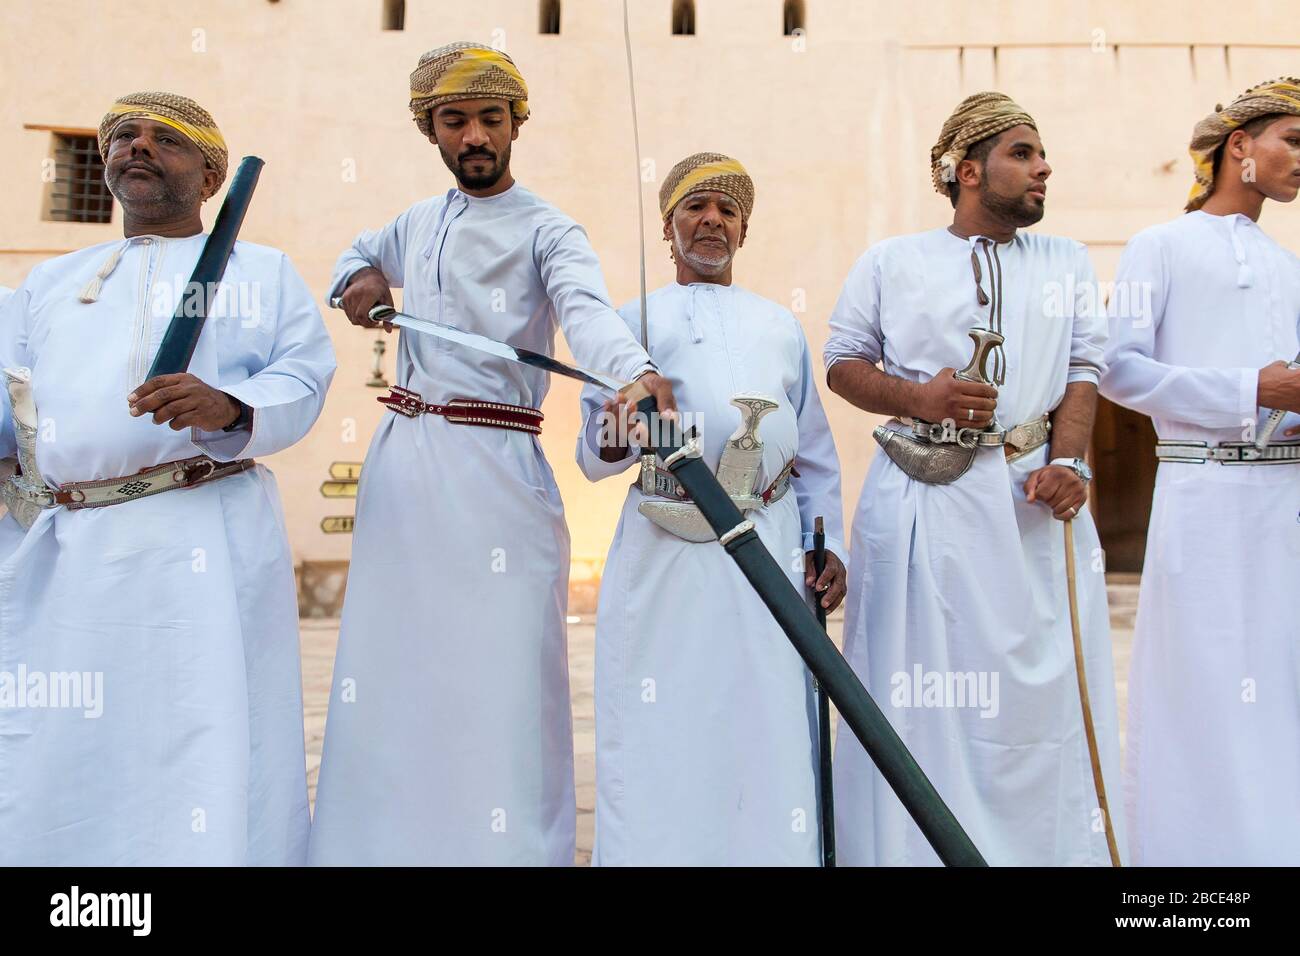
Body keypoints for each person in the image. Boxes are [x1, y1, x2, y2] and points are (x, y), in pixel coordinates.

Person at [309, 42, 676, 865]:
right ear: (431, 131)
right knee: (394, 669)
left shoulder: (550, 229)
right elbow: (351, 260)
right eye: (455, 121)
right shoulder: (414, 222)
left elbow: (588, 313)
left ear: (516, 126)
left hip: (498, 470)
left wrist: (636, 374)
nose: (474, 135)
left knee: (503, 681)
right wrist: (361, 279)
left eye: (489, 119)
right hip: (403, 463)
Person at [0, 92, 336, 865]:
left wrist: (228, 406)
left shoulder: (260, 270)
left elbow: (305, 377)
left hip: (196, 538)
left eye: (166, 140)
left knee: (193, 732)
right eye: (123, 137)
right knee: (68, 743)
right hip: (67, 550)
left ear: (212, 173)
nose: (137, 147)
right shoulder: (50, 281)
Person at [824, 92, 1123, 865]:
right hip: (922, 500)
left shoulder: (1066, 262)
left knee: (1040, 703)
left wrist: (1070, 461)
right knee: (916, 692)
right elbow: (843, 365)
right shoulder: (892, 260)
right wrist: (919, 397)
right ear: (966, 170)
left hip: (1030, 507)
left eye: (1041, 153)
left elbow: (1084, 369)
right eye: (1022, 153)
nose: (1043, 166)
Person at [577, 153, 846, 865]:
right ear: (668, 229)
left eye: (727, 211)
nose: (711, 221)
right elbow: (592, 452)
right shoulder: (627, 320)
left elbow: (813, 450)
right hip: (667, 550)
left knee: (769, 718)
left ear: (743, 232)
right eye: (695, 208)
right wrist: (621, 427)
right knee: (663, 720)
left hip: (773, 542)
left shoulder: (779, 324)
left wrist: (832, 545)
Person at [1100, 77, 1300, 865]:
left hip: (1283, 501)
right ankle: (1189, 869)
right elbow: (1117, 369)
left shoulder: (1289, 265)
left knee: (1278, 686)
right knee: (1201, 685)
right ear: (1238, 146)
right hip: (1201, 493)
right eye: (1292, 140)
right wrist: (1247, 389)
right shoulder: (1161, 246)